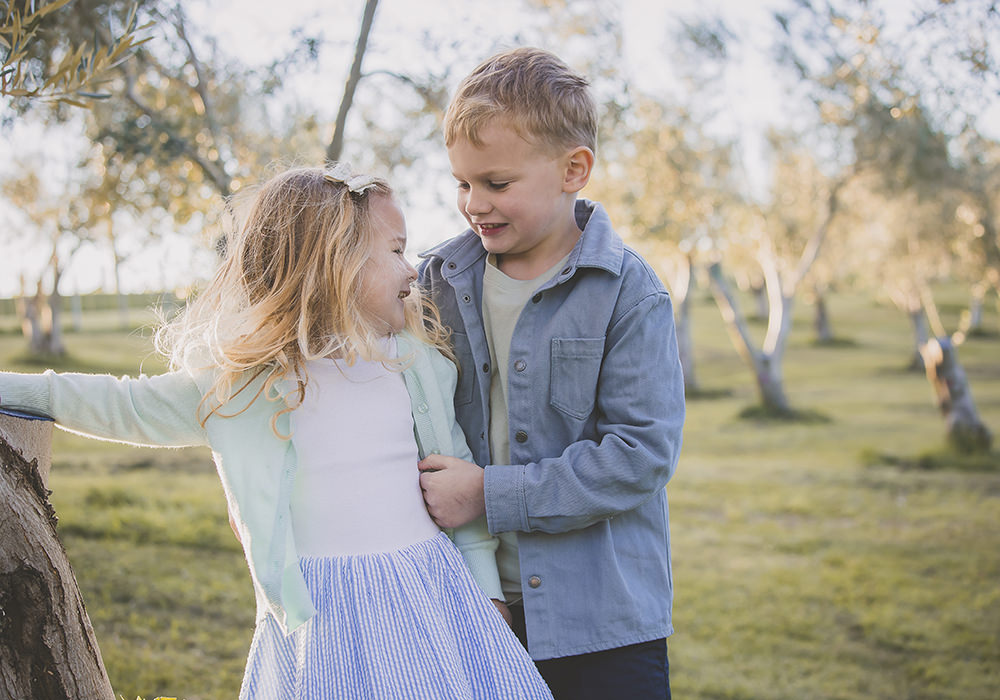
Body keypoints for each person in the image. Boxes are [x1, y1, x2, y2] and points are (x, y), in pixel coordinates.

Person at [0, 165, 553, 700]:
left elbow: (456, 495)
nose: (412, 271)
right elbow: (120, 404)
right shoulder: (241, 387)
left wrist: (487, 594)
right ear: (333, 263)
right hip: (323, 620)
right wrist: (15, 390)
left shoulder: (415, 364)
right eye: (394, 251)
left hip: (433, 603)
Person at [417, 47, 685, 700]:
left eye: (497, 183)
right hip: (475, 607)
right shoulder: (438, 283)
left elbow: (640, 455)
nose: (473, 203)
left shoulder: (629, 292)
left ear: (574, 170)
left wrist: (488, 494)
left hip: (604, 629)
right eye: (462, 183)